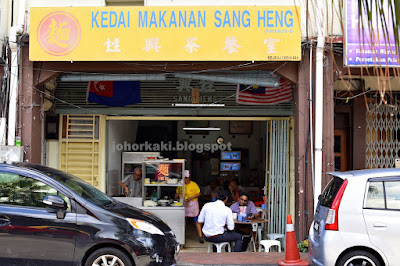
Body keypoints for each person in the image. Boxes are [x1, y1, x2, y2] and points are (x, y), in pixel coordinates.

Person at [175, 170, 203, 243]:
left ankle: (200, 236)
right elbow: (177, 194)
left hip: (193, 205)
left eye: (187, 177)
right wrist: (178, 197)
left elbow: (199, 193)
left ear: (189, 177)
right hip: (184, 204)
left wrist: (191, 197)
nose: (185, 179)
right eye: (184, 178)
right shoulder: (180, 184)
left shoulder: (193, 184)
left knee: (196, 221)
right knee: (183, 221)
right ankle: (181, 238)